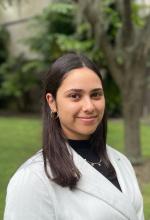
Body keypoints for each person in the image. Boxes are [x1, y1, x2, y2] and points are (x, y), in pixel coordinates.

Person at [4, 53, 144, 220]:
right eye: (75, 96)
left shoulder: (121, 162)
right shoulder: (33, 179)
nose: (89, 106)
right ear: (52, 102)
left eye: (96, 95)